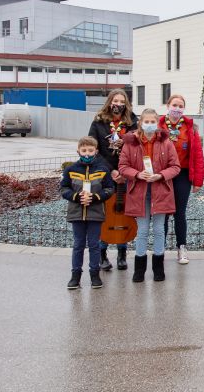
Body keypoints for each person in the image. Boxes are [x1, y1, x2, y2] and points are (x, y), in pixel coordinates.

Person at [118, 108, 181, 283]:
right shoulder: (130, 143)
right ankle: (139, 270)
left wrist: (160, 175)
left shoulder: (166, 142)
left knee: (159, 230)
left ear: (157, 123)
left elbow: (175, 166)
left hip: (160, 191)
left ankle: (158, 269)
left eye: (153, 122)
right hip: (139, 192)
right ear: (140, 123)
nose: (149, 125)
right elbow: (123, 166)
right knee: (143, 231)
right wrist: (137, 174)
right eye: (146, 121)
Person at [88, 89, 137, 272]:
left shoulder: (133, 121)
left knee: (123, 211)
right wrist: (111, 170)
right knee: (105, 213)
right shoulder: (99, 121)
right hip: (104, 173)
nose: (118, 104)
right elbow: (93, 148)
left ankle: (122, 253)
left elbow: (137, 147)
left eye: (122, 101)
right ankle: (102, 253)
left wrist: (125, 171)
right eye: (115, 101)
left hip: (127, 174)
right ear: (110, 102)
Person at [61, 136, 115, 289]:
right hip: (77, 213)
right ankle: (75, 276)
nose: (87, 153)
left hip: (95, 213)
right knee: (78, 245)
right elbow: (64, 188)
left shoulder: (102, 169)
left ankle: (95, 275)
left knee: (94, 245)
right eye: (84, 150)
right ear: (78, 151)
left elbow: (109, 189)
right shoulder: (71, 169)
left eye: (90, 150)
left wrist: (95, 197)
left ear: (96, 151)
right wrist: (77, 197)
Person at [158, 94, 204, 265]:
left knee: (180, 212)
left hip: (182, 174)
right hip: (162, 175)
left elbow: (198, 155)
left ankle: (181, 247)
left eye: (180, 106)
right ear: (168, 106)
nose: (177, 109)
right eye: (174, 105)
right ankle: (160, 248)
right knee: (162, 212)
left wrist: (198, 180)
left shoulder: (190, 128)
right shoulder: (158, 126)